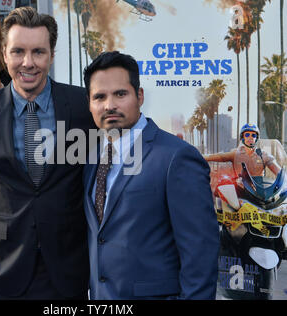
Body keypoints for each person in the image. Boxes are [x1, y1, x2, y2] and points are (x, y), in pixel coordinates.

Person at [0, 6, 95, 299]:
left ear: (52, 55)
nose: (28, 63)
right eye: (18, 52)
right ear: (4, 55)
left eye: (38, 52)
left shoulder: (81, 106)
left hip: (65, 274)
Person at [82, 51, 220, 299]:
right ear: (89, 104)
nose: (109, 105)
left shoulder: (176, 158)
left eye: (120, 94)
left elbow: (200, 254)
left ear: (140, 96)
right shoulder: (91, 159)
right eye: (99, 97)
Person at [204, 123, 281, 178]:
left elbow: (280, 173)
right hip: (240, 192)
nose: (250, 138)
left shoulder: (264, 155)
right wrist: (197, 156)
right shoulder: (235, 154)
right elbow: (217, 156)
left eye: (253, 135)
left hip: (259, 193)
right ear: (243, 137)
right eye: (247, 135)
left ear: (256, 138)